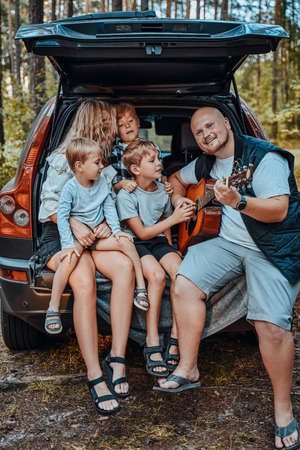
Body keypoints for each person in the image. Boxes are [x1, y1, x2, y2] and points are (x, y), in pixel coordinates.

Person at [154, 106, 300, 450]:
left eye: (210, 127)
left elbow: (279, 209)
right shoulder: (204, 163)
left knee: (271, 327)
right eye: (199, 133)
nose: (206, 135)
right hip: (228, 244)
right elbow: (175, 181)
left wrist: (239, 201)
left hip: (272, 248)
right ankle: (188, 367)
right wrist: (181, 202)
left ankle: (283, 408)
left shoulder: (263, 159)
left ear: (226, 124)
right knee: (185, 281)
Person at [36, 99, 135, 416]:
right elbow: (47, 208)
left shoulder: (102, 165)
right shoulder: (61, 160)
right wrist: (75, 225)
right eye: (107, 122)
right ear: (94, 124)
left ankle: (117, 357)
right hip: (62, 237)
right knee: (85, 282)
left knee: (123, 268)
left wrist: (107, 224)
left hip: (96, 236)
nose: (112, 128)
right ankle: (94, 374)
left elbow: (107, 201)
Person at [44, 137, 149, 336]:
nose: (102, 166)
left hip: (100, 238)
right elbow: (64, 217)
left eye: (101, 161)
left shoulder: (102, 183)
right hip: (80, 239)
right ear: (79, 166)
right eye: (97, 162)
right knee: (68, 260)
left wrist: (116, 230)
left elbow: (109, 206)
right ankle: (53, 308)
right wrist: (67, 244)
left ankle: (141, 289)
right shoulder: (70, 188)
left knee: (127, 242)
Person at [116, 139, 194, 377]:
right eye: (152, 161)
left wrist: (172, 249)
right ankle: (152, 340)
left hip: (158, 239)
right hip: (136, 242)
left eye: (159, 158)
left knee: (180, 272)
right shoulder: (126, 196)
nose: (159, 163)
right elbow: (141, 232)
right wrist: (175, 219)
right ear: (136, 169)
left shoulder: (163, 190)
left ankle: (175, 335)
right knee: (157, 277)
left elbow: (164, 227)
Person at [110, 102, 173, 195]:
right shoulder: (116, 152)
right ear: (116, 131)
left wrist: (166, 184)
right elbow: (113, 184)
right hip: (129, 198)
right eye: (121, 125)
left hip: (152, 195)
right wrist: (122, 184)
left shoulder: (153, 147)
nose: (127, 126)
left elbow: (160, 175)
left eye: (130, 121)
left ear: (138, 123)